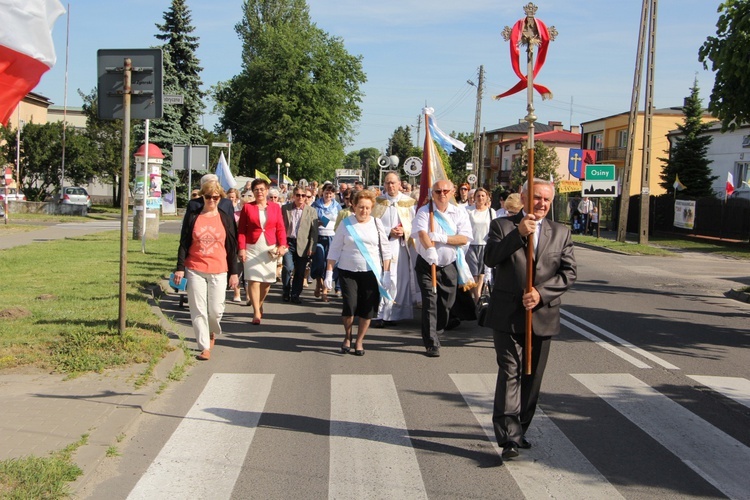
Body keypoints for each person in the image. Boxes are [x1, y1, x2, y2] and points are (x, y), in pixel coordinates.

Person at [483, 178, 576, 460]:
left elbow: (568, 273)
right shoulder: (503, 226)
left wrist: (540, 293)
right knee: (511, 370)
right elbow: (490, 258)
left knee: (532, 377)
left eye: (547, 199)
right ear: (523, 197)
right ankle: (508, 436)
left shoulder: (561, 232)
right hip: (507, 314)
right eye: (536, 198)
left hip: (543, 315)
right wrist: (518, 235)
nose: (542, 204)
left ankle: (521, 429)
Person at [173, 179, 239, 361]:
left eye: (215, 197)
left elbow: (231, 246)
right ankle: (204, 346)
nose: (211, 200)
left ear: (220, 198)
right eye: (208, 197)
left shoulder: (225, 217)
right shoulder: (194, 215)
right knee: (198, 309)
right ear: (203, 197)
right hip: (195, 267)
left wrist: (234, 272)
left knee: (216, 310)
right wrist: (179, 268)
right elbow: (184, 242)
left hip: (219, 268)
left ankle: (211, 330)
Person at [325, 189, 392, 356]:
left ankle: (360, 340)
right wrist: (328, 272)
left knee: (367, 308)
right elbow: (334, 249)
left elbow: (386, 250)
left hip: (371, 272)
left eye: (368, 208)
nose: (364, 211)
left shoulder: (377, 224)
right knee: (350, 306)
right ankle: (347, 336)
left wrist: (387, 274)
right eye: (361, 207)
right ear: (353, 206)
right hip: (348, 271)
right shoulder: (346, 224)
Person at [411, 180, 473, 357]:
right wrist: (429, 248)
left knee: (446, 303)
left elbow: (464, 238)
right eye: (438, 191)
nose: (442, 194)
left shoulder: (459, 213)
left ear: (453, 192)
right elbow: (422, 233)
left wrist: (442, 238)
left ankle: (437, 328)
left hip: (449, 266)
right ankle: (431, 342)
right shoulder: (425, 212)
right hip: (427, 265)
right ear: (432, 193)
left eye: (446, 191)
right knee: (430, 301)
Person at [237, 178, 288, 324]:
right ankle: (256, 312)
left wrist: (283, 245)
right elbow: (241, 230)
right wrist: (241, 248)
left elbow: (280, 228)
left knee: (266, 282)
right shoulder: (247, 208)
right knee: (254, 280)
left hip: (269, 249)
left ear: (266, 191)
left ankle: (259, 304)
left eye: (262, 189)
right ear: (252, 192)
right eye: (256, 189)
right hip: (251, 247)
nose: (259, 192)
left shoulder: (275, 207)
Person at [371, 171, 416, 327]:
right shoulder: (378, 202)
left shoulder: (409, 202)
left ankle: (394, 314)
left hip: (402, 247)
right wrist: (389, 230)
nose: (390, 186)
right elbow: (373, 224)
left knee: (399, 280)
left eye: (393, 182)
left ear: (399, 184)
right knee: (383, 279)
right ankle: (380, 314)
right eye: (387, 183)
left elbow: (414, 224)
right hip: (383, 246)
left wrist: (405, 231)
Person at [281, 186, 319, 304]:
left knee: (300, 271)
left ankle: (296, 294)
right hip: (288, 242)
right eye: (298, 195)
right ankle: (286, 290)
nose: (301, 198)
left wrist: (312, 247)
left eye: (304, 196)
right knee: (288, 268)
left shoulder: (311, 211)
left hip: (303, 244)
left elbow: (314, 231)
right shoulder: (285, 208)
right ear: (293, 196)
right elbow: (279, 226)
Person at [311, 183, 341, 302]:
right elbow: (311, 221)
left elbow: (340, 221)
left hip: (332, 237)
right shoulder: (316, 205)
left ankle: (324, 290)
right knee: (319, 261)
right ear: (322, 192)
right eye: (326, 192)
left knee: (330, 263)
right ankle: (319, 281)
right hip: (319, 236)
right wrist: (318, 222)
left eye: (331, 193)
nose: (328, 195)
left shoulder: (337, 206)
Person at [466, 187, 496, 303]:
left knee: (482, 272)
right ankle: (477, 297)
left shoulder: (491, 212)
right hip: (471, 244)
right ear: (474, 198)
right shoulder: (469, 211)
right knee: (473, 272)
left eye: (483, 196)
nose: (480, 198)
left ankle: (477, 295)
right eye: (478, 196)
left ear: (487, 197)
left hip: (485, 244)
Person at [226, 188, 244, 303]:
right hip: (226, 241)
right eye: (229, 197)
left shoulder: (240, 211)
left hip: (237, 241)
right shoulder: (223, 209)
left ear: (237, 199)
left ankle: (237, 291)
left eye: (233, 197)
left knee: (237, 266)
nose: (230, 199)